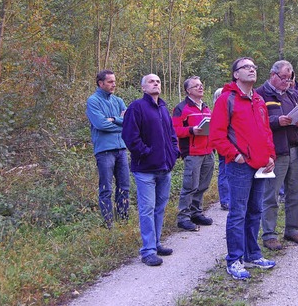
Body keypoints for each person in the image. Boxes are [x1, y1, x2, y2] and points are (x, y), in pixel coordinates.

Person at [210, 57, 277, 280]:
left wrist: (270, 156)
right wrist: (235, 155)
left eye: (254, 67)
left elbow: (266, 132)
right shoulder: (226, 100)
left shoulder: (258, 99)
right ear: (235, 74)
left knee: (255, 210)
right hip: (239, 166)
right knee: (238, 213)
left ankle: (252, 254)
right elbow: (217, 135)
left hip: (260, 165)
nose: (251, 69)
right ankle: (234, 260)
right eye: (246, 67)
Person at [122, 74, 180, 267]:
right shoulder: (136, 107)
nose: (156, 84)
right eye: (151, 82)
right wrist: (145, 153)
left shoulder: (163, 107)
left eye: (158, 82)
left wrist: (174, 152)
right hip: (145, 169)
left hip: (165, 167)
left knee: (159, 207)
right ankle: (147, 251)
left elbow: (172, 133)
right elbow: (130, 136)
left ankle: (155, 243)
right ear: (143, 88)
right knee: (147, 209)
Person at [257, 61, 298, 250]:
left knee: (295, 192)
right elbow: (256, 122)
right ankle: (269, 234)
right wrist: (277, 121)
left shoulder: (293, 95)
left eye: (289, 78)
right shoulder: (260, 94)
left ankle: (292, 229)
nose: (287, 81)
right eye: (283, 78)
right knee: (271, 195)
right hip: (275, 153)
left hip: (296, 149)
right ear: (272, 74)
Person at [85, 70, 130, 229]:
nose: (114, 84)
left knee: (124, 186)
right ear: (100, 83)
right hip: (104, 151)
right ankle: (109, 223)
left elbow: (129, 121)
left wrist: (114, 119)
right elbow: (100, 124)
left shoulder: (118, 100)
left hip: (121, 149)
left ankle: (124, 221)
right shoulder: (93, 101)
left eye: (114, 81)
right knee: (106, 188)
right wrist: (120, 124)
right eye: (110, 82)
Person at [172, 76, 215, 231]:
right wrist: (191, 130)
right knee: (190, 186)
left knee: (203, 185)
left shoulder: (206, 107)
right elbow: (174, 130)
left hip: (208, 151)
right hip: (192, 152)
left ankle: (196, 213)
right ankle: (183, 217)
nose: (200, 88)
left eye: (201, 85)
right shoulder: (181, 108)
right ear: (188, 90)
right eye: (196, 86)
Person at [213, 87, 230, 210]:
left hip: (233, 144)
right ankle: (225, 200)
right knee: (224, 170)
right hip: (224, 144)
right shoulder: (218, 111)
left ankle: (229, 199)